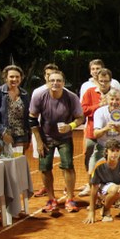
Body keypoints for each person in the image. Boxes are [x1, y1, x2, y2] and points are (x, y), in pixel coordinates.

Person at [29, 70, 84, 214]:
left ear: (63, 83)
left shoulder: (71, 97)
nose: (55, 83)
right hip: (45, 138)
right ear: (47, 82)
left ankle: (70, 199)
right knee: (45, 168)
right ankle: (51, 199)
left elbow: (80, 118)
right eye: (52, 80)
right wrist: (39, 142)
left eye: (59, 80)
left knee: (68, 166)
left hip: (65, 138)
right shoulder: (39, 96)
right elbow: (32, 119)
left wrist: (70, 126)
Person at [78, 67, 114, 195]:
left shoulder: (115, 94)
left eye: (106, 81)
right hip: (92, 132)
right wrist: (99, 106)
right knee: (89, 157)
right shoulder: (89, 92)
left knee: (111, 159)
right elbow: (83, 110)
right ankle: (90, 184)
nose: (103, 83)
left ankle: (109, 185)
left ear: (110, 81)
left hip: (110, 134)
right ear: (97, 81)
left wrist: (110, 106)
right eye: (101, 81)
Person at [0, 64, 31, 157]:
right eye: (11, 76)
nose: (14, 79)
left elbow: (27, 116)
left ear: (21, 78)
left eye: (17, 77)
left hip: (20, 135)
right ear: (5, 78)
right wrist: (3, 134)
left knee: (18, 162)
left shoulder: (25, 94)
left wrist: (28, 136)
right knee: (1, 163)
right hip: (1, 136)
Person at [90, 88, 120, 171]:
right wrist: (106, 128)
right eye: (112, 99)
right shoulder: (99, 112)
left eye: (117, 99)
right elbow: (96, 134)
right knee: (92, 170)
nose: (114, 102)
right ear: (107, 100)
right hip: (103, 145)